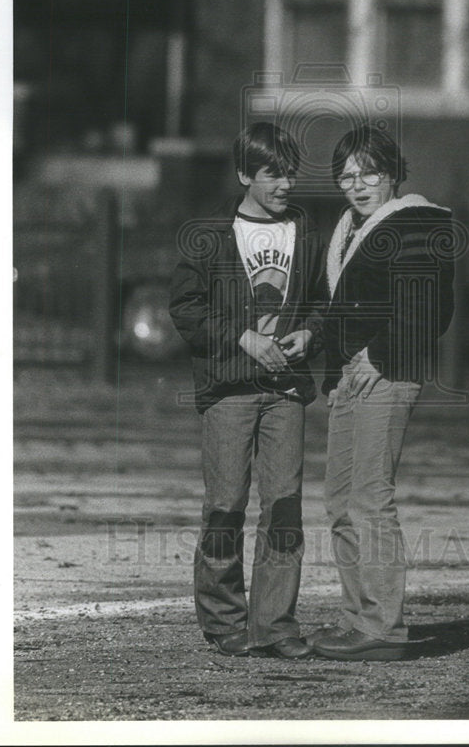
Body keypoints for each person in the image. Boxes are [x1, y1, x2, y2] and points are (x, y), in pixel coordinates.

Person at [169, 122, 326, 660]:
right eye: (273, 173)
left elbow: (325, 302)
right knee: (226, 506)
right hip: (229, 391)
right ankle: (224, 622)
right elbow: (186, 309)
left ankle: (276, 625)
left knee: (284, 508)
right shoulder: (211, 233)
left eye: (291, 173)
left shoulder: (305, 229)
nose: (285, 184)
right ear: (244, 174)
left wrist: (311, 331)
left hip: (286, 391)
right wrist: (243, 338)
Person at [312, 124, 455, 661]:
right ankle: (360, 620)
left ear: (392, 173)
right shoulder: (351, 227)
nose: (358, 183)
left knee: (370, 497)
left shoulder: (416, 221)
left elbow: (428, 307)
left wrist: (378, 354)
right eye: (346, 175)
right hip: (350, 375)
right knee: (340, 502)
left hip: (387, 372)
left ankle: (383, 628)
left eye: (369, 172)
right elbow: (343, 309)